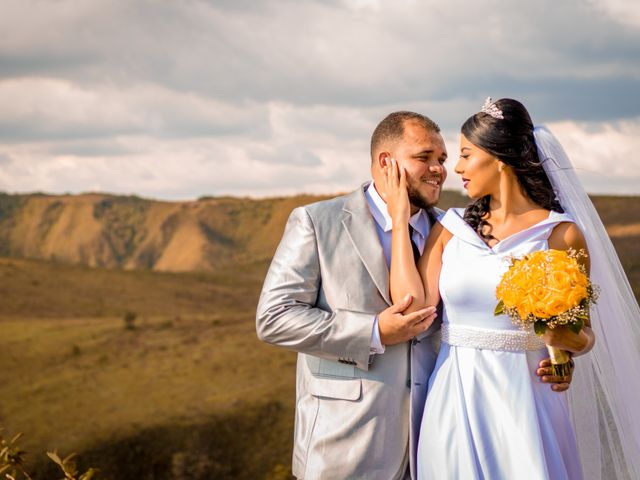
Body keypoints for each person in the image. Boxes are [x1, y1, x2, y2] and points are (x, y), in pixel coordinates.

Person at [256, 111, 571, 480]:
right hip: (347, 444)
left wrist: (555, 355)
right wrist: (373, 331)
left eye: (442, 159)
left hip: (440, 435)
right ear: (386, 162)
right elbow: (274, 318)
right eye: (424, 158)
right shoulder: (317, 221)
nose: (441, 169)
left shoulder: (456, 230)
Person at [383, 98, 640, 479]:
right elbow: (412, 305)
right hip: (455, 394)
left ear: (499, 158)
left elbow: (584, 336)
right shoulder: (451, 229)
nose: (456, 168)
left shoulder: (560, 234)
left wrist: (561, 341)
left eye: (467, 155)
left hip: (527, 400)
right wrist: (399, 216)